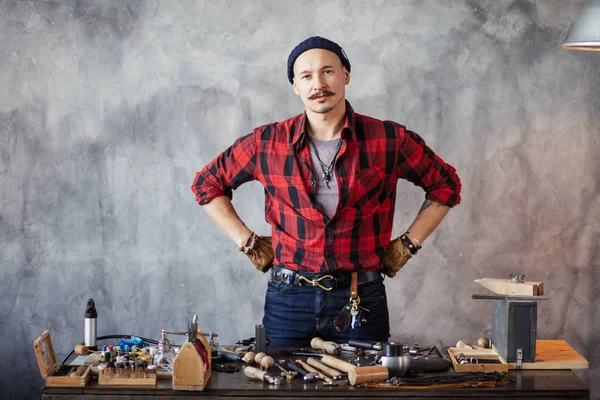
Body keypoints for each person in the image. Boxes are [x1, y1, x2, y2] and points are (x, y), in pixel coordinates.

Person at [191, 36, 461, 346]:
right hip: (288, 298)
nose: (318, 83)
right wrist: (248, 242)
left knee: (364, 388)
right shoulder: (266, 142)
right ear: (295, 85)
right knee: (282, 388)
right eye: (306, 76)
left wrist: (408, 244)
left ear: (346, 75)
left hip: (361, 297)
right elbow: (207, 184)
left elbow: (446, 184)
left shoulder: (389, 139)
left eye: (328, 71)